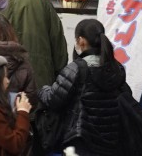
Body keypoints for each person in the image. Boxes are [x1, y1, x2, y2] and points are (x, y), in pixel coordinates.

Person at [36, 18, 125, 155]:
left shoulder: (76, 68)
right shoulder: (116, 68)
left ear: (82, 41)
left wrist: (43, 90)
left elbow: (54, 99)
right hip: (112, 139)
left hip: (81, 140)